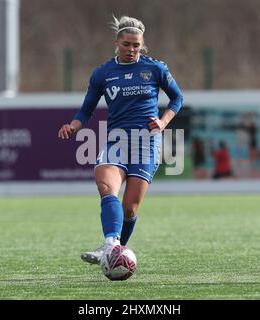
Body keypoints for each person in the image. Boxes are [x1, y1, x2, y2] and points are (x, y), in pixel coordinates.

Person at [57, 15, 183, 265]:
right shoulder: (103, 73)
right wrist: (73, 125)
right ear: (117, 42)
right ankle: (110, 245)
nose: (132, 50)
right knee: (106, 187)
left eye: (136, 45)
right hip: (116, 141)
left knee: (130, 208)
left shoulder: (155, 69)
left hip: (146, 142)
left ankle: (115, 248)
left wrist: (163, 121)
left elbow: (177, 99)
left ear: (142, 44)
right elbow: (86, 110)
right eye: (127, 44)